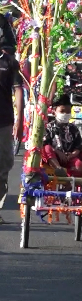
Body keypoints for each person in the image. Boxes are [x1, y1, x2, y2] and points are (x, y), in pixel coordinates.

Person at [0, 27, 22, 216]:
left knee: (3, 165)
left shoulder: (10, 62)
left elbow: (18, 90)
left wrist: (19, 120)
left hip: (4, 120)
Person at [42, 96, 82, 177]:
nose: (65, 114)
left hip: (69, 157)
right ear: (54, 112)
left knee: (78, 165)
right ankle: (58, 169)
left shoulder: (73, 128)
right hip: (55, 157)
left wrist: (71, 155)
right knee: (46, 148)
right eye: (62, 111)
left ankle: (69, 185)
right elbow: (45, 145)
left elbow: (78, 147)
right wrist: (58, 153)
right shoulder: (48, 127)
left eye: (68, 112)